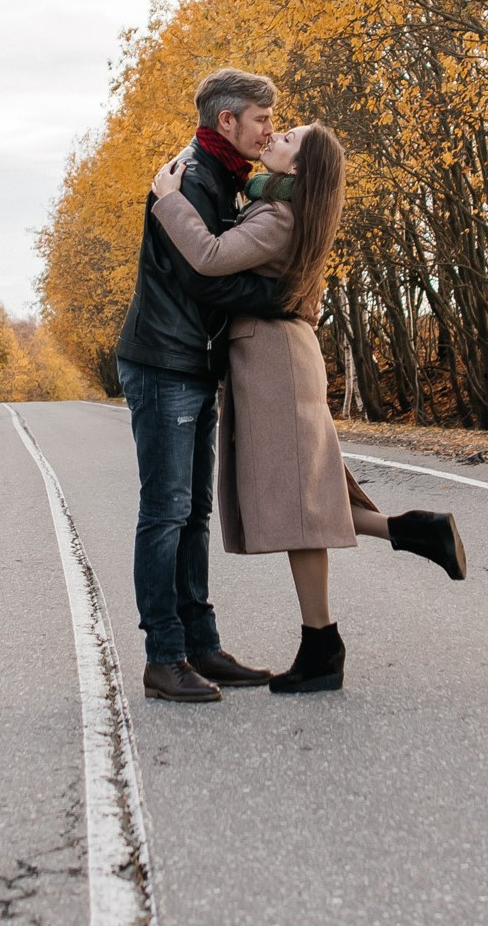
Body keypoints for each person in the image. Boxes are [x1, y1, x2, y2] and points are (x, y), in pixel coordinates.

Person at [151, 119, 467, 695]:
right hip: (284, 356)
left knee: (299, 505)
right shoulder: (293, 211)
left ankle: (323, 645)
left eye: (288, 139)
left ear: (298, 168)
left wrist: (169, 201)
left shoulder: (277, 216)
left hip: (273, 361)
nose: (275, 137)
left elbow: (209, 256)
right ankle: (409, 537)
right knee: (309, 495)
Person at [116, 68, 286, 703]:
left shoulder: (222, 175)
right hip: (164, 361)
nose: (270, 129)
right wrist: (281, 295)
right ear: (228, 122)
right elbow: (206, 277)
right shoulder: (192, 177)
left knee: (193, 512)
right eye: (262, 119)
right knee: (166, 512)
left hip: (191, 361)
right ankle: (164, 656)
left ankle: (202, 646)